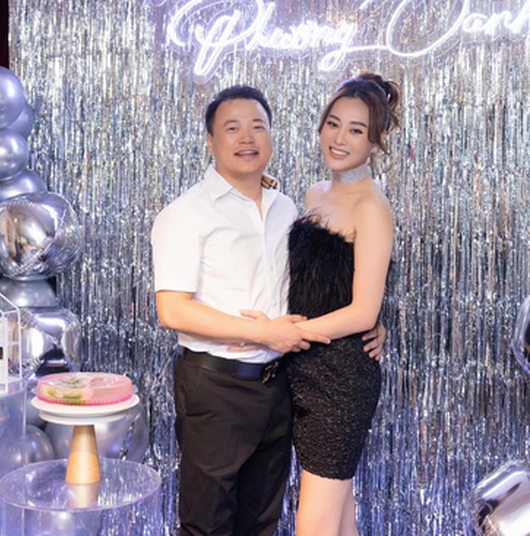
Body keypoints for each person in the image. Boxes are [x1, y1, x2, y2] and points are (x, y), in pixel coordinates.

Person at [151, 85, 384, 536]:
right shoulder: (185, 214)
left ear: (271, 136)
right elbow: (173, 312)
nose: (247, 137)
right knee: (208, 525)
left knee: (261, 522)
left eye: (257, 126)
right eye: (232, 128)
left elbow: (324, 279)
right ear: (210, 141)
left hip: (281, 387)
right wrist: (265, 334)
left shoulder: (286, 207)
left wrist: (370, 320)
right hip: (217, 388)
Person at [285, 73, 400, 536]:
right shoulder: (316, 194)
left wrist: (287, 333)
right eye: (333, 124)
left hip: (340, 378)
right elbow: (316, 283)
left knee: (314, 523)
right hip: (301, 370)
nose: (339, 138)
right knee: (340, 517)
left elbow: (363, 313)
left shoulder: (372, 207)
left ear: (376, 141)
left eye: (356, 130)